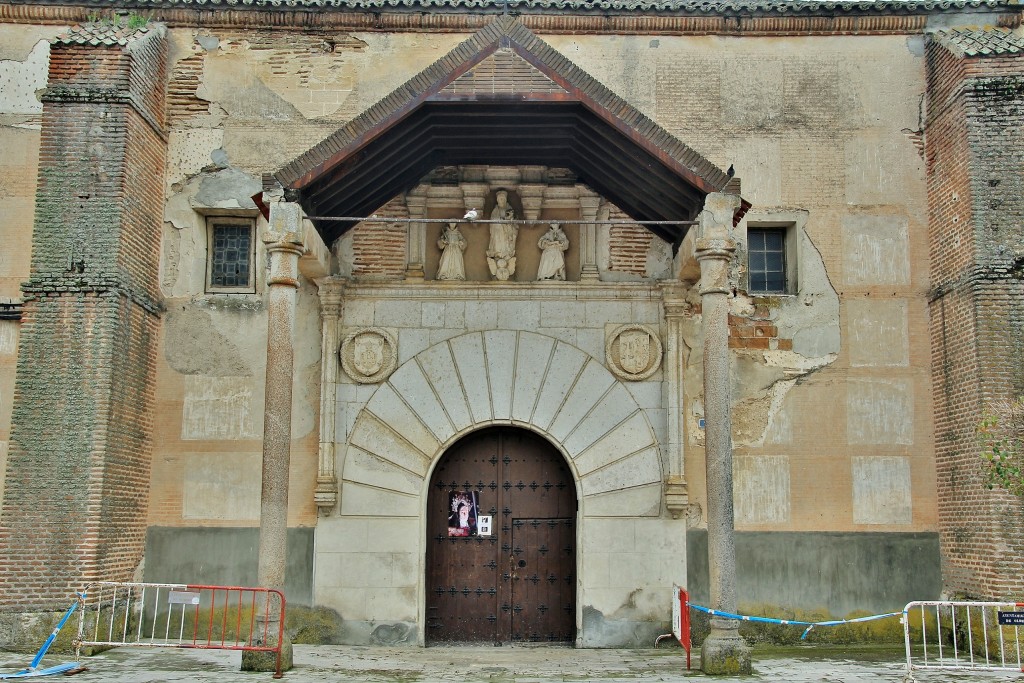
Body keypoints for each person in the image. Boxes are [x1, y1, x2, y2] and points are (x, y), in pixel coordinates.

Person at [487, 190, 518, 280]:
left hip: (507, 236)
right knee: (498, 246)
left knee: (507, 246)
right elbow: (493, 222)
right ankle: (498, 255)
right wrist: (502, 220)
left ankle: (506, 255)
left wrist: (510, 219)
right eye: (500, 199)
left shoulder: (509, 209)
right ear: (497, 200)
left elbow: (515, 224)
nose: (501, 200)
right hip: (497, 235)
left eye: (503, 198)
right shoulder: (495, 211)